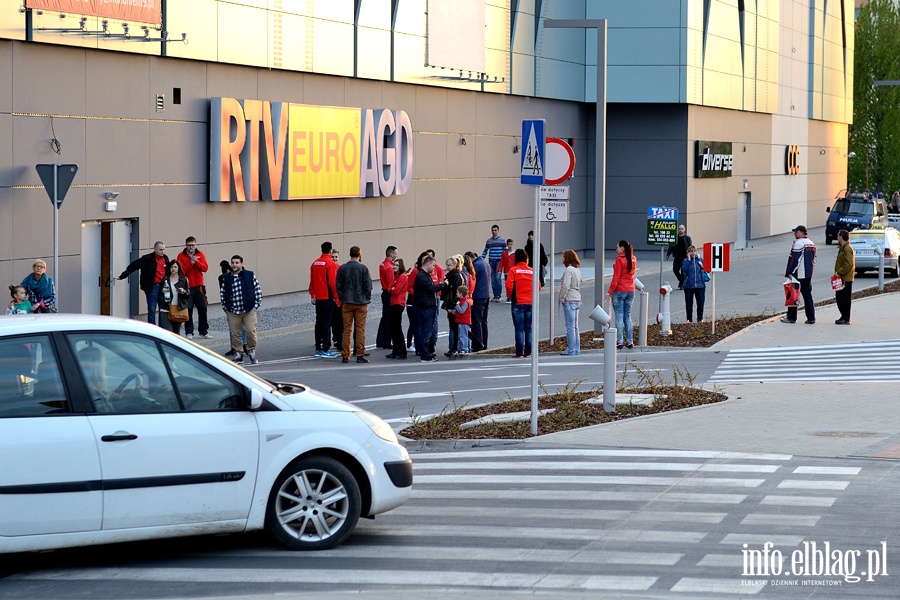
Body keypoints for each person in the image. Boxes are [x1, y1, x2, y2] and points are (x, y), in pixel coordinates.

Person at [220, 255, 262, 364]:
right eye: (233, 262)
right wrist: (226, 307)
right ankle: (239, 354)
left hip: (248, 309)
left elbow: (257, 290)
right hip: (233, 311)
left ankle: (251, 350)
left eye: (237, 262)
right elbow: (223, 293)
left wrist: (256, 305)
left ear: (241, 264)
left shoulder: (249, 275)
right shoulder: (227, 278)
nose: (234, 265)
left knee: (250, 330)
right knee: (235, 333)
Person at [335, 246, 373, 364]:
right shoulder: (363, 268)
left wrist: (343, 297)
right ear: (359, 255)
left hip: (347, 302)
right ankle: (360, 354)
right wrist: (366, 297)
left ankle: (345, 355)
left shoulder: (343, 268)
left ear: (349, 254)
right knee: (360, 329)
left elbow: (338, 285)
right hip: (360, 302)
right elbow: (368, 286)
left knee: (346, 329)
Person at [118, 241, 169, 326]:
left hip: (163, 286)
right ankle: (152, 329)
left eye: (164, 249)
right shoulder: (147, 258)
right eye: (160, 249)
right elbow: (134, 265)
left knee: (163, 309)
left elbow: (169, 271)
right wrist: (123, 275)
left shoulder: (165, 258)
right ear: (155, 249)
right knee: (152, 309)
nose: (162, 251)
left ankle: (161, 329)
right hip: (152, 286)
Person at [412, 255, 447, 362]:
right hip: (425, 307)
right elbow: (431, 288)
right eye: (433, 265)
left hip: (427, 306)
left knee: (427, 331)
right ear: (428, 264)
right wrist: (443, 285)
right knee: (425, 332)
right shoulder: (422, 276)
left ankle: (426, 353)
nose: (434, 268)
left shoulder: (424, 275)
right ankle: (424, 355)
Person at [176, 236, 211, 340]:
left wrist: (196, 262)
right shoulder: (181, 256)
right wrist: (190, 264)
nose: (191, 247)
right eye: (189, 245)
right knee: (189, 309)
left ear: (196, 245)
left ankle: (203, 331)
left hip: (199, 286)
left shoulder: (200, 254)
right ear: (186, 245)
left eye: (193, 245)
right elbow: (181, 272)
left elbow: (205, 268)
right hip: (188, 287)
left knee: (202, 308)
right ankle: (189, 332)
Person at [309, 241, 340, 358]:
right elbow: (332, 283)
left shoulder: (315, 263)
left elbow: (312, 281)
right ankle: (326, 348)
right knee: (327, 323)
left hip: (318, 298)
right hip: (327, 297)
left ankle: (318, 348)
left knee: (319, 322)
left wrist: (313, 295)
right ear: (330, 250)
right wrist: (336, 298)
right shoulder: (330, 263)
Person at [781, 225, 817, 324]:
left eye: (796, 232)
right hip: (808, 274)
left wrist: (790, 272)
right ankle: (811, 318)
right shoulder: (812, 244)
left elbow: (795, 259)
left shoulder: (799, 244)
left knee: (792, 294)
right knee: (807, 295)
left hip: (798, 274)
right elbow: (814, 260)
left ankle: (791, 317)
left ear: (801, 232)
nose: (794, 234)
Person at [506, 248, 538, 358]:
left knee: (519, 329)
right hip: (530, 302)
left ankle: (519, 352)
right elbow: (538, 286)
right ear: (526, 259)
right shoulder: (532, 271)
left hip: (517, 303)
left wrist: (511, 296)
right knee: (528, 329)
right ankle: (528, 352)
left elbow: (509, 286)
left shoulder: (513, 270)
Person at [607, 240, 637, 349]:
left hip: (619, 290)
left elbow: (616, 278)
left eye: (618, 247)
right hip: (630, 290)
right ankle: (630, 341)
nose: (616, 249)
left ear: (622, 248)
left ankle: (620, 341)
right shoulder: (633, 259)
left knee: (619, 316)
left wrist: (609, 292)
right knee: (627, 316)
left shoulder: (619, 260)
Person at [558, 249, 582, 355]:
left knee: (569, 326)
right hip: (577, 298)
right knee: (575, 326)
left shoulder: (568, 270)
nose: (562, 258)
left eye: (563, 256)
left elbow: (566, 285)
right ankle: (577, 348)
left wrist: (562, 297)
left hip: (570, 299)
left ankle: (571, 349)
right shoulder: (577, 270)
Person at [158, 260, 190, 336]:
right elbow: (159, 294)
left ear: (178, 268)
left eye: (175, 267)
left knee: (176, 334)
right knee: (168, 333)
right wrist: (162, 291)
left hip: (178, 309)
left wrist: (183, 292)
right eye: (171, 267)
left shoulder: (183, 280)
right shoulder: (165, 280)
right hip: (166, 308)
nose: (173, 269)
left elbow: (187, 295)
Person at [467, 250, 491, 351]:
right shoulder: (485, 263)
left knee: (476, 321)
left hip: (478, 296)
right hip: (487, 294)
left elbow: (472, 280)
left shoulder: (476, 266)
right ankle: (484, 344)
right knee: (484, 321)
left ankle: (477, 344)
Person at [376, 245, 398, 349]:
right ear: (391, 254)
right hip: (388, 293)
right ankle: (386, 341)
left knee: (385, 317)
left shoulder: (383, 264)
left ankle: (381, 340)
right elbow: (391, 283)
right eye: (396, 253)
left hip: (384, 292)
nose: (396, 255)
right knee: (389, 318)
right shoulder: (389, 267)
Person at [386, 257, 408, 359]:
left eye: (397, 265)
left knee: (397, 328)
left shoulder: (402, 277)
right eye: (394, 265)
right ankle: (396, 350)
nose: (394, 267)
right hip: (394, 303)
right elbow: (389, 288)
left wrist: (392, 289)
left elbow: (395, 291)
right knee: (393, 328)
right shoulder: (396, 276)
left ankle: (402, 351)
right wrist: (392, 289)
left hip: (398, 304)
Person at [441, 256, 463, 357]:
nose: (447, 267)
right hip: (451, 303)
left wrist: (452, 305)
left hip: (452, 304)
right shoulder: (452, 275)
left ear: (454, 265)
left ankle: (454, 347)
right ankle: (454, 347)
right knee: (454, 326)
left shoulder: (454, 276)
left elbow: (456, 293)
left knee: (454, 327)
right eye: (447, 265)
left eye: (449, 265)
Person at [833, 229, 855, 324]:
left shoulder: (847, 249)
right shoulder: (842, 248)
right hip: (841, 278)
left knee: (844, 298)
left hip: (845, 278)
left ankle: (846, 318)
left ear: (841, 236)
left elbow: (849, 264)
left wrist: (839, 272)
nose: (837, 238)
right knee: (839, 297)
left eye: (838, 236)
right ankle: (843, 316)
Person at [481, 225, 507, 302]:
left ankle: (498, 295)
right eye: (492, 230)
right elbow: (485, 250)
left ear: (498, 231)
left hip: (499, 261)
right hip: (491, 261)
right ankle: (495, 295)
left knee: (497, 278)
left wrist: (505, 261)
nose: (494, 232)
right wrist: (481, 259)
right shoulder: (489, 241)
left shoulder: (502, 241)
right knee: (492, 278)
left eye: (495, 230)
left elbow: (505, 252)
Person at [681, 245, 706, 323]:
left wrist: (702, 266)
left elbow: (707, 270)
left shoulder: (700, 259)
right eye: (691, 251)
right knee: (689, 303)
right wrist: (688, 260)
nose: (693, 253)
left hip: (700, 285)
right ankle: (689, 319)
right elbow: (684, 270)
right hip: (689, 285)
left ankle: (700, 318)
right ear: (688, 252)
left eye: (694, 251)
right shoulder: (685, 261)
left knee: (700, 303)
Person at [665, 224, 692, 289]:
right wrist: (668, 254)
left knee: (683, 270)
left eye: (681, 229)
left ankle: (682, 284)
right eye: (679, 229)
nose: (680, 230)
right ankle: (681, 280)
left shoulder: (687, 238)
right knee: (675, 270)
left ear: (684, 230)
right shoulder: (675, 238)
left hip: (684, 257)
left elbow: (690, 247)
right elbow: (671, 246)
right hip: (677, 257)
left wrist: (690, 255)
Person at [329, 248, 345, 350]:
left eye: (336, 257)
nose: (334, 258)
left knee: (339, 320)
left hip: (339, 298)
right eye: (333, 257)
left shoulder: (340, 268)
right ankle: (336, 338)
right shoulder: (329, 268)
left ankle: (339, 340)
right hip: (331, 298)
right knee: (333, 320)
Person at [454, 285, 472, 354]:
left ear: (461, 294)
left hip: (463, 321)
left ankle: (463, 348)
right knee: (464, 335)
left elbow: (461, 311)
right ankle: (466, 348)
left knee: (462, 335)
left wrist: (456, 306)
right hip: (463, 321)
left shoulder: (464, 302)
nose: (456, 294)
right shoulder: (463, 301)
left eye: (457, 293)